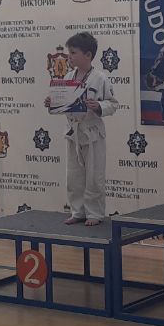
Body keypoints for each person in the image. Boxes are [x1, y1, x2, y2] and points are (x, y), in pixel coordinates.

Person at [45, 32, 117, 226]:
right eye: (69, 52)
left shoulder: (100, 78)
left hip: (92, 133)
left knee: (94, 176)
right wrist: (52, 103)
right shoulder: (68, 77)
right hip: (73, 132)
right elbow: (63, 105)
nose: (69, 56)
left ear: (88, 55)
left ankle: (95, 213)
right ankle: (77, 211)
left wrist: (99, 106)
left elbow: (113, 104)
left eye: (73, 53)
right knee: (74, 176)